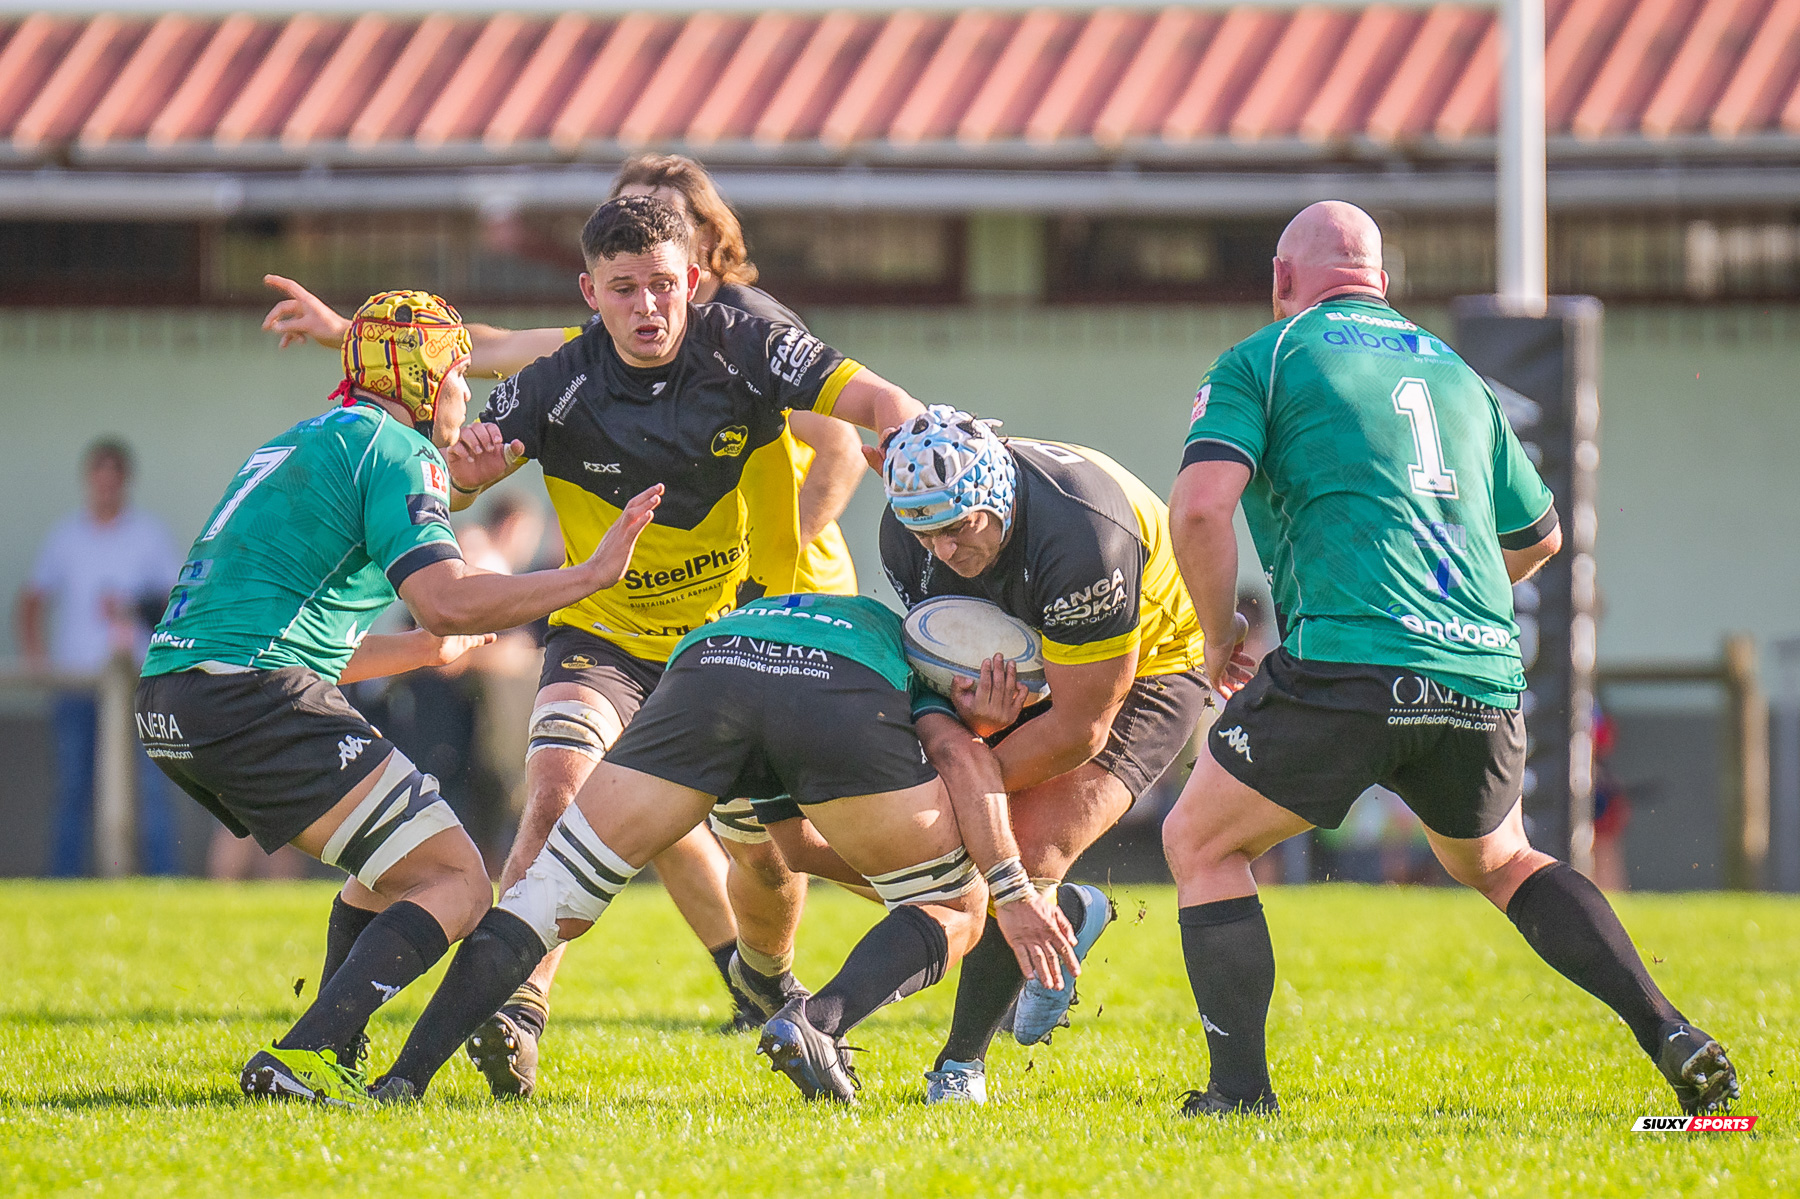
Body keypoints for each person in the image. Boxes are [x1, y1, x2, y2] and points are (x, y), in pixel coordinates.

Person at [288, 195, 921, 1099]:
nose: (647, 305)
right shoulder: (557, 381)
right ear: (592, 293)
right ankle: (519, 1009)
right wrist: (463, 472)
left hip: (732, 644)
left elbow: (872, 403)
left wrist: (915, 438)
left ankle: (765, 977)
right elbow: (457, 477)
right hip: (606, 639)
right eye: (624, 289)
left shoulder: (748, 343)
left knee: (772, 853)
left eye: (662, 284)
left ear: (692, 278)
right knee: (555, 794)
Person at [1161, 200, 1737, 1118]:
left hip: (1344, 663)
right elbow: (1539, 537)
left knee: (1199, 841)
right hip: (1479, 670)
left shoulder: (1265, 357)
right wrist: (1446, 610)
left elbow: (1199, 510)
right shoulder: (1461, 375)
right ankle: (1670, 1028)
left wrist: (1219, 635)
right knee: (1502, 860)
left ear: (1282, 280)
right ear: (1382, 283)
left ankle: (1239, 1095)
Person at [134, 290, 662, 1104]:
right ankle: (306, 1052)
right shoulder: (395, 449)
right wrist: (587, 576)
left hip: (175, 696)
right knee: (460, 881)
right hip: (249, 697)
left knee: (389, 869)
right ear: (423, 381)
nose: (467, 395)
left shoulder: (306, 439)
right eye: (459, 376)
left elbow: (302, 638)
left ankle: (331, 1050)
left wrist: (421, 649)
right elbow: (445, 597)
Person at [360, 592, 1079, 1105]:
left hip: (705, 669)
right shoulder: (911, 664)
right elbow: (959, 756)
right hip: (832, 695)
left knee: (549, 890)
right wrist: (1003, 889)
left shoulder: (840, 611)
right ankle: (815, 1022)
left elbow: (798, 848)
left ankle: (405, 1077)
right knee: (959, 904)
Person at [875, 405, 1253, 1104]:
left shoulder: (1083, 538)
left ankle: (958, 1066)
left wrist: (974, 790)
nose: (944, 551)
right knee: (950, 836)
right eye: (926, 533)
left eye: (959, 528)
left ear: (995, 494)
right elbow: (967, 658)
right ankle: (1068, 916)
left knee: (1021, 847)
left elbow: (1082, 726)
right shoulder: (907, 535)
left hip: (1151, 666)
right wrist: (975, 733)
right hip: (1042, 654)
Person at [17, 439, 181, 876]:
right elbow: (33, 599)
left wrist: (134, 609)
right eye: (99, 479)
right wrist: (37, 658)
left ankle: (163, 878)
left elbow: (175, 603)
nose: (106, 488)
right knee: (74, 786)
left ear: (125, 481)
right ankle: (64, 879)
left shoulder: (148, 535)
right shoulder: (66, 536)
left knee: (151, 787)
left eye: (113, 479)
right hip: (79, 684)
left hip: (139, 682)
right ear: (89, 481)